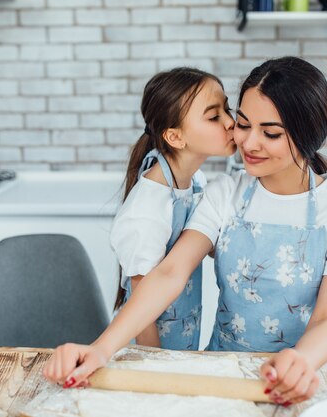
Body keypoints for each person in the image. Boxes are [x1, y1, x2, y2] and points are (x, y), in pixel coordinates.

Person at [43, 57, 327, 407]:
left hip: (299, 381)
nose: (249, 143)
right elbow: (170, 272)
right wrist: (101, 349)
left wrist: (301, 361)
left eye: (271, 133)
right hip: (219, 376)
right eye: (244, 124)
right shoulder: (223, 193)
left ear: (309, 135)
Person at [111, 67, 236, 350]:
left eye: (227, 110)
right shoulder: (149, 207)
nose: (230, 122)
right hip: (148, 346)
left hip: (183, 333)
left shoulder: (195, 182)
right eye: (214, 116)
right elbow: (142, 314)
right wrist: (156, 366)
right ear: (175, 137)